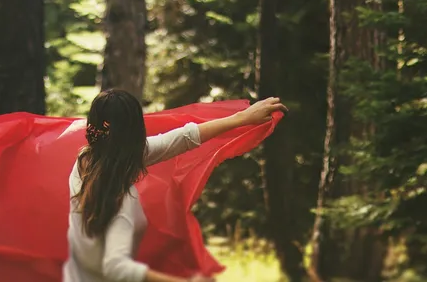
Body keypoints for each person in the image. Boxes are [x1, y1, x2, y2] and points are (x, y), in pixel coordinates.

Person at [65, 90, 287, 282]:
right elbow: (117, 268)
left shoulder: (86, 161)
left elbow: (182, 138)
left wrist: (243, 118)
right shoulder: (120, 199)